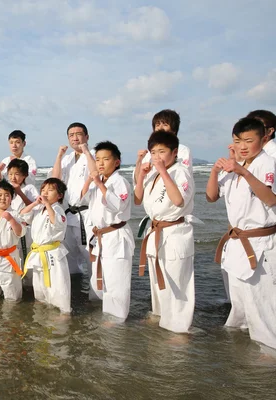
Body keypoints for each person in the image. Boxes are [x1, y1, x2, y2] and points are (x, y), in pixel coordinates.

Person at [207, 117, 276, 349]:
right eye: (237, 141)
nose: (242, 146)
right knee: (240, 299)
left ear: (264, 138)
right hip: (237, 241)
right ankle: (242, 341)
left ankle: (269, 348)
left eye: (249, 140)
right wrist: (216, 172)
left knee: (261, 300)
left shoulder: (267, 163)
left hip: (260, 240)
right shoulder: (239, 164)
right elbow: (211, 196)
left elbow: (271, 199)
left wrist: (243, 172)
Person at [134, 131, 195, 333]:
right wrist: (142, 174)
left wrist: (164, 172)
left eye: (162, 151)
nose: (157, 157)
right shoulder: (153, 173)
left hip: (175, 231)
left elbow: (178, 200)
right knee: (158, 279)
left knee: (177, 280)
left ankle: (180, 328)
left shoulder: (181, 172)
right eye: (153, 152)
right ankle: (160, 315)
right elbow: (137, 199)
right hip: (156, 230)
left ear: (174, 152)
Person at [81, 142, 134, 321]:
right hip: (101, 235)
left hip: (116, 234)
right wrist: (92, 180)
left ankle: (118, 318)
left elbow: (117, 205)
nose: (100, 163)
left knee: (117, 279)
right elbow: (81, 198)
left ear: (117, 162)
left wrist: (98, 183)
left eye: (106, 159)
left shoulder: (120, 182)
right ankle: (107, 313)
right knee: (103, 278)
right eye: (97, 160)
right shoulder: (100, 181)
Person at [20, 178, 70, 314]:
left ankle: (64, 311)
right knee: (40, 285)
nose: (45, 192)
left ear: (59, 195)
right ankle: (43, 305)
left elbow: (57, 223)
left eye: (50, 190)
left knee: (57, 284)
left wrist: (47, 204)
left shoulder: (58, 209)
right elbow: (22, 215)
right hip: (38, 254)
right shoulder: (38, 210)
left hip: (52, 253)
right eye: (43, 189)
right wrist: (36, 203)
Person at [49, 122, 93, 276]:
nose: (75, 138)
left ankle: (97, 296)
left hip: (86, 214)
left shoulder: (93, 155)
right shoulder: (66, 159)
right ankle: (76, 291)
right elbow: (55, 180)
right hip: (68, 214)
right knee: (69, 257)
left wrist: (86, 152)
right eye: (71, 135)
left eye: (78, 134)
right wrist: (59, 156)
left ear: (87, 136)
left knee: (90, 256)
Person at [134, 110, 193, 184]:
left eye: (165, 124)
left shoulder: (182, 150)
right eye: (157, 125)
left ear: (174, 130)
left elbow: (184, 179)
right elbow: (138, 183)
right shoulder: (148, 153)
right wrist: (139, 161)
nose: (160, 128)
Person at [6, 158, 39, 285]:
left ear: (25, 175)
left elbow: (36, 206)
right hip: (10, 230)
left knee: (27, 258)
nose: (13, 177)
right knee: (13, 258)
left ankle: (29, 285)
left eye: (17, 174)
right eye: (10, 174)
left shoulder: (29, 188)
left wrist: (20, 192)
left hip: (26, 229)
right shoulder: (7, 189)